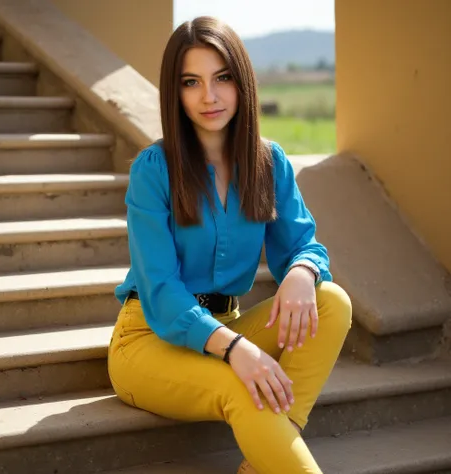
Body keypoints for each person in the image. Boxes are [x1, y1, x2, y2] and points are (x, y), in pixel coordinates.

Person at [108, 16, 352, 474]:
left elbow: (304, 244)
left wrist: (302, 272)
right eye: (191, 82)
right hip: (148, 338)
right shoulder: (153, 170)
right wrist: (237, 349)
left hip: (227, 322)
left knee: (332, 301)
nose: (209, 96)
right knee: (241, 385)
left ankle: (264, 462)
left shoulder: (269, 162)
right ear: (175, 93)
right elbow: (160, 291)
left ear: (242, 82)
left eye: (222, 78)